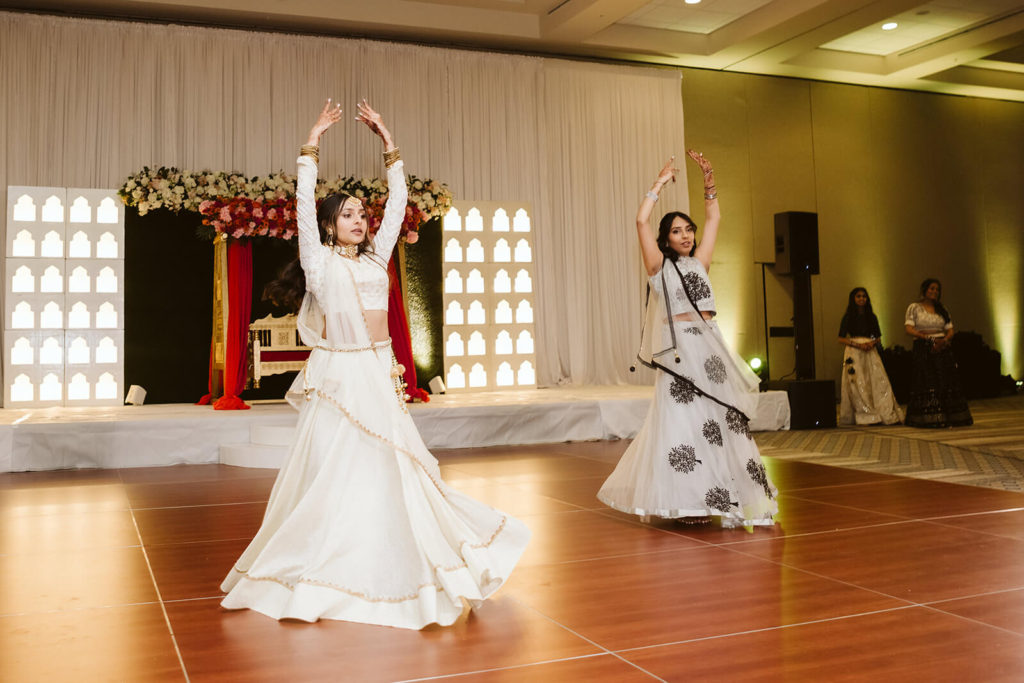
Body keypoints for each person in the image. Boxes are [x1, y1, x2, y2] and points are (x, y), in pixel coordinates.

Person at [220, 100, 529, 629]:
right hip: (340, 375)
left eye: (362, 214)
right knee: (336, 470)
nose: (360, 221)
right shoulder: (318, 263)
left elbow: (401, 201)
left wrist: (389, 145)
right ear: (328, 225)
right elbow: (300, 203)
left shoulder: (376, 258)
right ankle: (333, 554)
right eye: (348, 214)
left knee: (396, 466)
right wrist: (311, 144)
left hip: (378, 371)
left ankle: (399, 547)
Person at [597, 151, 777, 528]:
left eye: (688, 229)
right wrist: (659, 185)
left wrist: (709, 183)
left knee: (721, 419)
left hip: (709, 346)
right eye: (677, 231)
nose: (685, 235)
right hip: (679, 351)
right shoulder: (659, 267)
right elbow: (640, 220)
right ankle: (687, 500)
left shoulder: (701, 262)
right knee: (683, 422)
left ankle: (727, 497)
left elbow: (715, 218)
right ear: (665, 238)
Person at [904, 278, 973, 428]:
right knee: (928, 381)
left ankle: (950, 416)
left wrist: (944, 340)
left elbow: (950, 330)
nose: (934, 292)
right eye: (931, 289)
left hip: (942, 346)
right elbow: (909, 329)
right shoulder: (914, 307)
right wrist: (927, 339)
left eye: (937, 290)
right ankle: (929, 418)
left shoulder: (942, 309)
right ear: (924, 290)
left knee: (945, 381)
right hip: (923, 347)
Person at [837, 287, 903, 425]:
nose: (862, 299)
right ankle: (865, 414)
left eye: (864, 296)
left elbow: (877, 337)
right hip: (854, 351)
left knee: (877, 380)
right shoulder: (848, 316)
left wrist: (871, 344)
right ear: (853, 299)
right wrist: (857, 344)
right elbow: (840, 338)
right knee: (859, 382)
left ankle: (882, 411)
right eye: (858, 296)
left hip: (870, 351)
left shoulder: (871, 316)